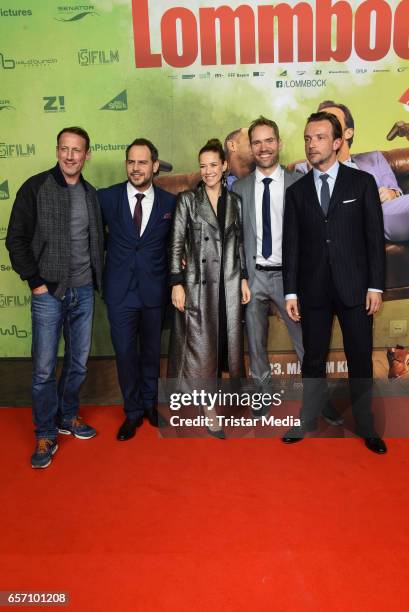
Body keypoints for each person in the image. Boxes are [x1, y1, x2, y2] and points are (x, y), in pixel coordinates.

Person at [282, 111, 387, 454]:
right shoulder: (296, 192)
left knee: (359, 359)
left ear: (339, 142)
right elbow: (292, 246)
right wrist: (291, 291)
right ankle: (307, 418)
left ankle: (367, 426)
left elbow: (374, 239)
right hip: (312, 291)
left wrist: (376, 286)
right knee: (313, 359)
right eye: (308, 139)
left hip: (355, 289)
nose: (312, 145)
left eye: (321, 137)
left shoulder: (362, 183)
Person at [6, 127, 104, 468]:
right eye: (64, 149)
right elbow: (15, 238)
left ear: (87, 154)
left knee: (78, 364)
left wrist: (94, 281)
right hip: (48, 292)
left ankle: (68, 416)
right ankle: (45, 431)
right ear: (57, 150)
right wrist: (35, 281)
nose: (70, 156)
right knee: (44, 369)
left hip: (83, 292)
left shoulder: (91, 194)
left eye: (77, 150)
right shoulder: (36, 187)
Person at [167, 139, 251, 436]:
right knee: (201, 347)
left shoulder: (235, 202)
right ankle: (208, 406)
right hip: (198, 284)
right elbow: (176, 243)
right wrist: (177, 283)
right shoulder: (188, 200)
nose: (208, 171)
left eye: (213, 165)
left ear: (224, 166)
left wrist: (242, 278)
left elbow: (239, 244)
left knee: (224, 343)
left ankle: (229, 396)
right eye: (203, 166)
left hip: (227, 283)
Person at [98, 138, 176, 441]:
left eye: (142, 162)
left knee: (152, 353)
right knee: (126, 353)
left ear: (154, 166)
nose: (136, 167)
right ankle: (131, 413)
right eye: (131, 161)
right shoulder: (106, 198)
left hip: (155, 291)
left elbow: (175, 245)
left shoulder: (170, 203)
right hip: (119, 293)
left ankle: (149, 405)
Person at [232, 117, 304, 386]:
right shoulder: (239, 189)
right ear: (251, 148)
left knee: (305, 338)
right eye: (257, 142)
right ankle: (262, 391)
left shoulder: (298, 184)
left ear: (279, 143)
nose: (263, 148)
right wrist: (242, 276)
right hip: (254, 277)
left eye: (269, 141)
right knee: (255, 342)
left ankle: (316, 395)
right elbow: (236, 238)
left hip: (290, 278)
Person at [295, 100, 409, 242]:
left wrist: (392, 193)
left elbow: (397, 192)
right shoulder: (303, 169)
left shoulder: (374, 158)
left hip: (383, 215)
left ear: (348, 132)